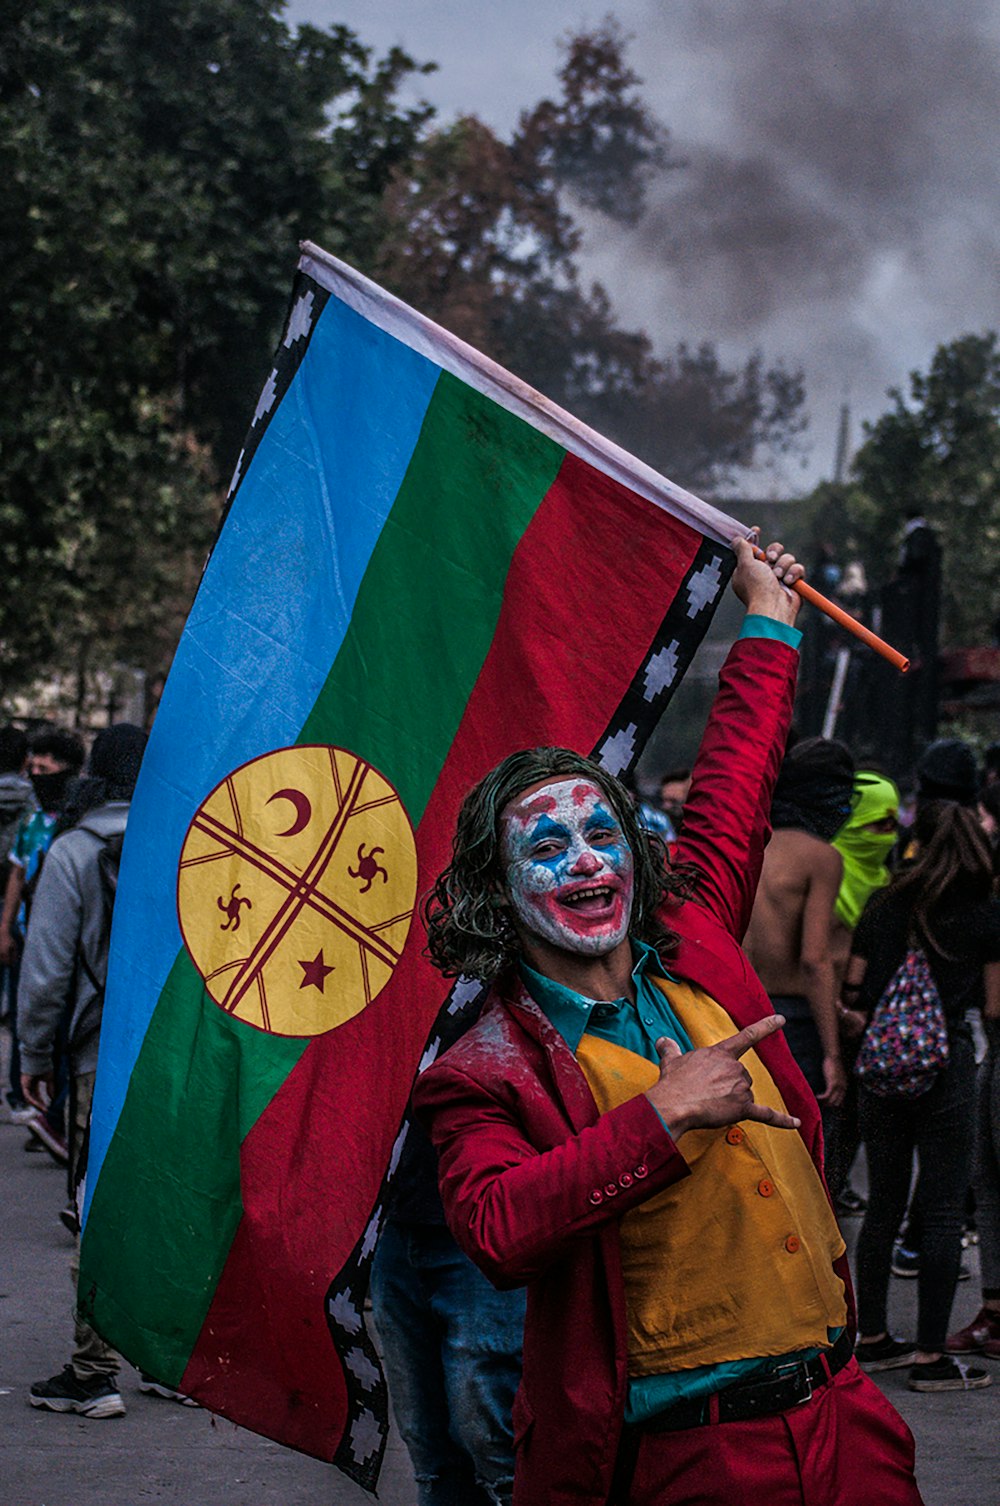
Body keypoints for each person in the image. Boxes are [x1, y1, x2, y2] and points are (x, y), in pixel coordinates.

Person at [414, 538, 922, 1506]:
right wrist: (662, 1116)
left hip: (845, 1425)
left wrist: (766, 611)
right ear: (494, 888)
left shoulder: (694, 939)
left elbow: (733, 784)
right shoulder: (486, 1066)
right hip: (696, 1460)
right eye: (548, 845)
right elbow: (494, 1226)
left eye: (602, 832)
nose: (585, 862)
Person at [18, 723, 152, 1419]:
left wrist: (32, 1058)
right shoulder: (183, 842)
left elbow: (44, 971)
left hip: (100, 1056)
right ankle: (172, 1365)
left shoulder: (73, 851)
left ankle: (93, 1372)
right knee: (167, 1202)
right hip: (178, 1062)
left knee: (97, 1204)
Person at [850, 803, 1000, 1392]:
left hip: (880, 1067)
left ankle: (874, 1338)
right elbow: (993, 1007)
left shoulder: (883, 906)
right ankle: (932, 1358)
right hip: (947, 1066)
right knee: (938, 1209)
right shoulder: (985, 917)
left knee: (883, 1204)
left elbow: (854, 988)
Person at [744, 737, 854, 1111]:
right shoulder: (820, 858)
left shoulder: (745, 848)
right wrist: (833, 1054)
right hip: (796, 1023)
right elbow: (814, 960)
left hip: (738, 1010)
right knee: (811, 1146)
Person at [0, 727, 85, 1123]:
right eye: (31, 766)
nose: (35, 774)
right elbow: (16, 875)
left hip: (64, 934)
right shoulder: (32, 820)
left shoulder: (78, 820)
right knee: (26, 1010)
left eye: (44, 767)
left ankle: (54, 1109)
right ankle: (25, 1095)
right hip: (26, 930)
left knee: (63, 1019)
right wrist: (6, 928)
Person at [826, 771, 901, 1213]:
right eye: (877, 824)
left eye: (893, 825)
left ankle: (839, 1185)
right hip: (832, 1010)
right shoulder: (827, 869)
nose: (886, 835)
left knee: (857, 1114)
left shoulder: (886, 876)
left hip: (873, 1014)